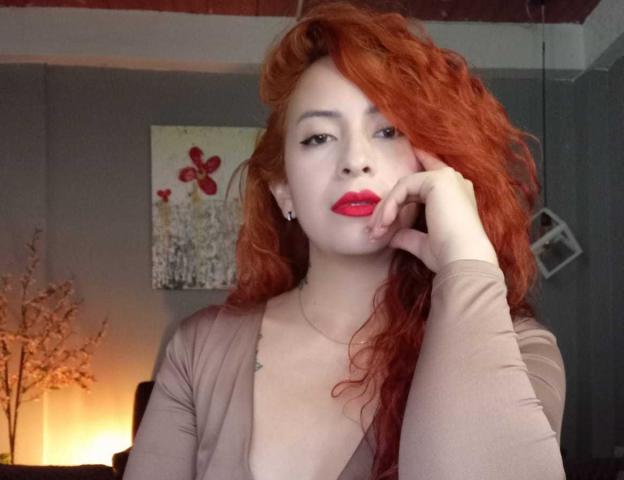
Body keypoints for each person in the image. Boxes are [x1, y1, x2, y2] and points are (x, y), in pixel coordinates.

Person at [124, 2, 566, 479]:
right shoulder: (198, 351)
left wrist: (467, 261)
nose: (356, 159)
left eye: (388, 130)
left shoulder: (520, 351)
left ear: (438, 162)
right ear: (283, 189)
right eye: (318, 137)